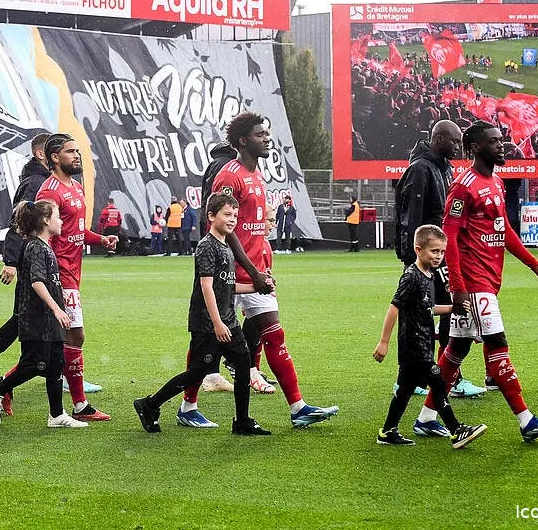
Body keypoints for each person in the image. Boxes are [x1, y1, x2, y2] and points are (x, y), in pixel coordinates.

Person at [185, 112, 337, 429]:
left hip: (255, 274)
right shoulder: (230, 176)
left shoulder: (257, 176)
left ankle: (298, 409)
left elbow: (253, 231)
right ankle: (188, 407)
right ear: (243, 141)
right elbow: (226, 232)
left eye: (267, 133)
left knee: (274, 334)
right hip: (230, 274)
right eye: (260, 134)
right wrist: (254, 273)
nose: (267, 138)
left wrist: (261, 268)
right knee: (205, 347)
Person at [415, 121, 538, 443]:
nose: (502, 146)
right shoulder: (463, 186)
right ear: (476, 147)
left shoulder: (495, 181)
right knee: (497, 344)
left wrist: (534, 265)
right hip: (472, 282)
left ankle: (426, 417)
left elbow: (504, 229)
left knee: (456, 349)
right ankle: (526, 420)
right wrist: (457, 286)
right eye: (494, 142)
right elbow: (449, 238)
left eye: (501, 140)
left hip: (488, 279)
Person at [133, 193, 270, 436]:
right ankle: (150, 404)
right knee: (197, 372)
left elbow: (225, 285)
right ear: (210, 216)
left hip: (228, 320)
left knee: (243, 362)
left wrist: (258, 286)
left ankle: (242, 421)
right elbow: (206, 286)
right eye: (227, 215)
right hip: (208, 324)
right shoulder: (207, 246)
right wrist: (217, 323)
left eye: (235, 216)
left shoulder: (225, 246)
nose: (232, 220)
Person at [393, 120, 484, 403]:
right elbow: (411, 217)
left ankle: (420, 377)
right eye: (454, 142)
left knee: (433, 314)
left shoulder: (442, 167)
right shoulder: (421, 169)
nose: (458, 147)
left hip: (438, 255)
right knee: (431, 314)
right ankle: (444, 378)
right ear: (439, 139)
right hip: (427, 258)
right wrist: (415, 261)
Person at [372, 224, 486, 448]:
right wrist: (383, 342)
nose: (439, 256)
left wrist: (453, 308)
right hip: (413, 344)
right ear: (418, 250)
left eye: (442, 252)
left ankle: (387, 431)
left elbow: (428, 308)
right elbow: (394, 307)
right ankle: (456, 430)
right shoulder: (411, 277)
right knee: (438, 380)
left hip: (423, 342)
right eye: (434, 251)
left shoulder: (429, 275)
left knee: (405, 390)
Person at [0, 200, 86, 428]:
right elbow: (37, 282)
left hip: (51, 322)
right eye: (57, 216)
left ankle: (57, 415)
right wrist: (57, 309)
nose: (61, 221)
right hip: (37, 320)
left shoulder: (45, 246)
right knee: (33, 365)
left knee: (56, 364)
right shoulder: (35, 247)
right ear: (46, 221)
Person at [35, 133, 118, 421]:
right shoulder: (49, 192)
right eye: (70, 152)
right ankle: (80, 405)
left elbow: (77, 230)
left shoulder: (76, 186)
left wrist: (101, 239)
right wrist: (46, 272)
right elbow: (41, 235)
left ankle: (3, 387)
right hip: (59, 275)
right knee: (74, 335)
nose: (76, 156)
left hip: (73, 272)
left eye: (77, 151)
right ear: (54, 158)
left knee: (52, 343)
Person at [0, 132, 51, 387]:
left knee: (28, 317)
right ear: (41, 154)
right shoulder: (36, 183)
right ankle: (62, 374)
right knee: (29, 317)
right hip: (33, 260)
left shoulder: (41, 180)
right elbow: (19, 223)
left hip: (39, 259)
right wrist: (11, 261)